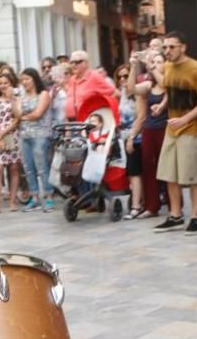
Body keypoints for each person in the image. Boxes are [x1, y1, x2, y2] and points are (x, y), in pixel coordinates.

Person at [153, 31, 197, 236]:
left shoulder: (195, 68)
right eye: (165, 47)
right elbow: (171, 91)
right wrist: (162, 107)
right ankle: (175, 215)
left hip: (192, 127)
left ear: (183, 47)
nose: (168, 51)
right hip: (173, 127)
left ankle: (195, 217)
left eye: (172, 46)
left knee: (193, 175)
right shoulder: (169, 67)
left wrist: (186, 118)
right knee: (169, 173)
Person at [128, 51, 167, 219]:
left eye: (159, 61)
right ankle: (152, 206)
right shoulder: (148, 85)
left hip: (166, 129)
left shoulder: (169, 83)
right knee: (148, 168)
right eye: (153, 62)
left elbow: (166, 85)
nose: (155, 64)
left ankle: (174, 205)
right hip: (149, 130)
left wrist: (152, 67)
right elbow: (131, 89)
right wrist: (133, 66)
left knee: (168, 169)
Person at [18, 67, 55, 212]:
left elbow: (38, 114)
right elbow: (17, 113)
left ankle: (49, 197)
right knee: (28, 168)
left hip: (40, 134)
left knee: (42, 167)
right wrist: (20, 110)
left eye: (27, 79)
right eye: (22, 80)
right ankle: (34, 197)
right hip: (24, 135)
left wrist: (23, 117)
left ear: (34, 79)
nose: (24, 82)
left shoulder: (44, 94)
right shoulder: (22, 96)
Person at [0, 70, 22, 215]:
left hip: (12, 135)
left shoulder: (17, 99)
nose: (3, 85)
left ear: (11, 84)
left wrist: (12, 99)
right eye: (0, 83)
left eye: (6, 83)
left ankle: (13, 200)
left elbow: (17, 118)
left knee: (14, 168)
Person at [115, 64, 145, 219]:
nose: (122, 79)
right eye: (120, 77)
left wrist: (132, 138)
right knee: (130, 172)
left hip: (137, 137)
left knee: (135, 172)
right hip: (124, 136)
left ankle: (136, 206)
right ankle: (138, 200)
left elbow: (141, 117)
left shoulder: (137, 93)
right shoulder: (122, 93)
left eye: (126, 76)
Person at [63, 50, 116, 121]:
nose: (73, 65)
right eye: (71, 62)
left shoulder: (94, 77)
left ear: (86, 63)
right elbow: (70, 102)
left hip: (88, 122)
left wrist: (103, 113)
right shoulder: (72, 79)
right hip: (72, 123)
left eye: (77, 62)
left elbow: (115, 93)